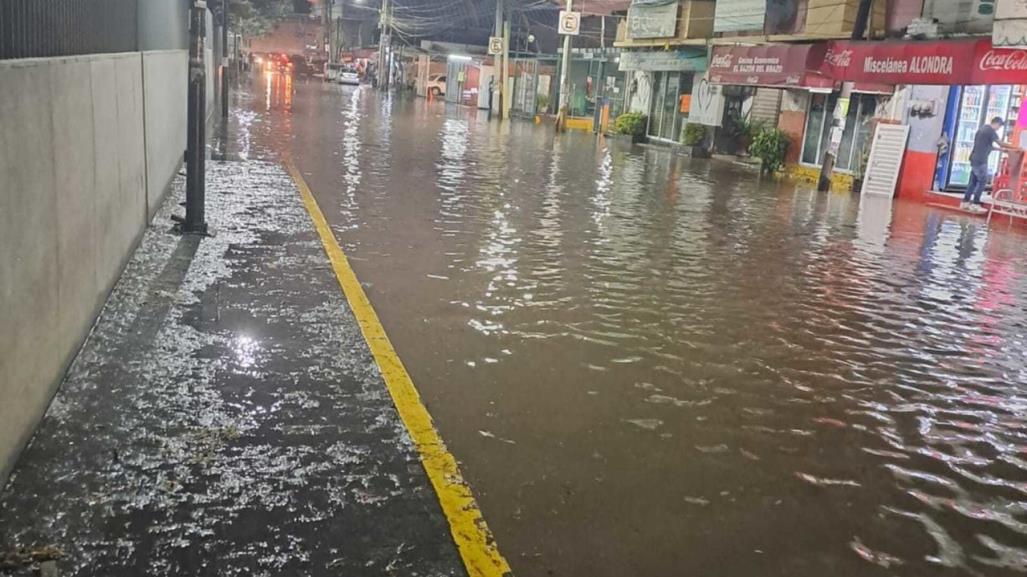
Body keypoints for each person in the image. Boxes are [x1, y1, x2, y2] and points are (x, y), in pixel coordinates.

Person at [962, 117, 1019, 212]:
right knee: (982, 181)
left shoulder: (982, 129)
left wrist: (1002, 150)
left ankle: (965, 202)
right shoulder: (990, 131)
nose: (998, 129)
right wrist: (1015, 147)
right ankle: (976, 204)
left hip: (974, 158)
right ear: (997, 123)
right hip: (981, 160)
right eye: (999, 126)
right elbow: (1001, 143)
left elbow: (988, 146)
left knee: (973, 182)